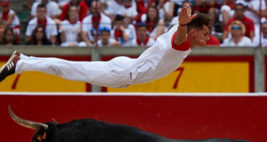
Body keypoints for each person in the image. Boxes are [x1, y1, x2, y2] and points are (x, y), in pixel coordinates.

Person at [0, 8, 211, 90]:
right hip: (122, 72)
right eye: (205, 33)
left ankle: (23, 62)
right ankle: (21, 62)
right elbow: (178, 39)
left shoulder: (180, 33)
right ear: (193, 32)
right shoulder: (181, 37)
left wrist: (182, 25)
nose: (208, 38)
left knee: (68, 69)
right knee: (66, 69)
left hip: (126, 69)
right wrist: (183, 25)